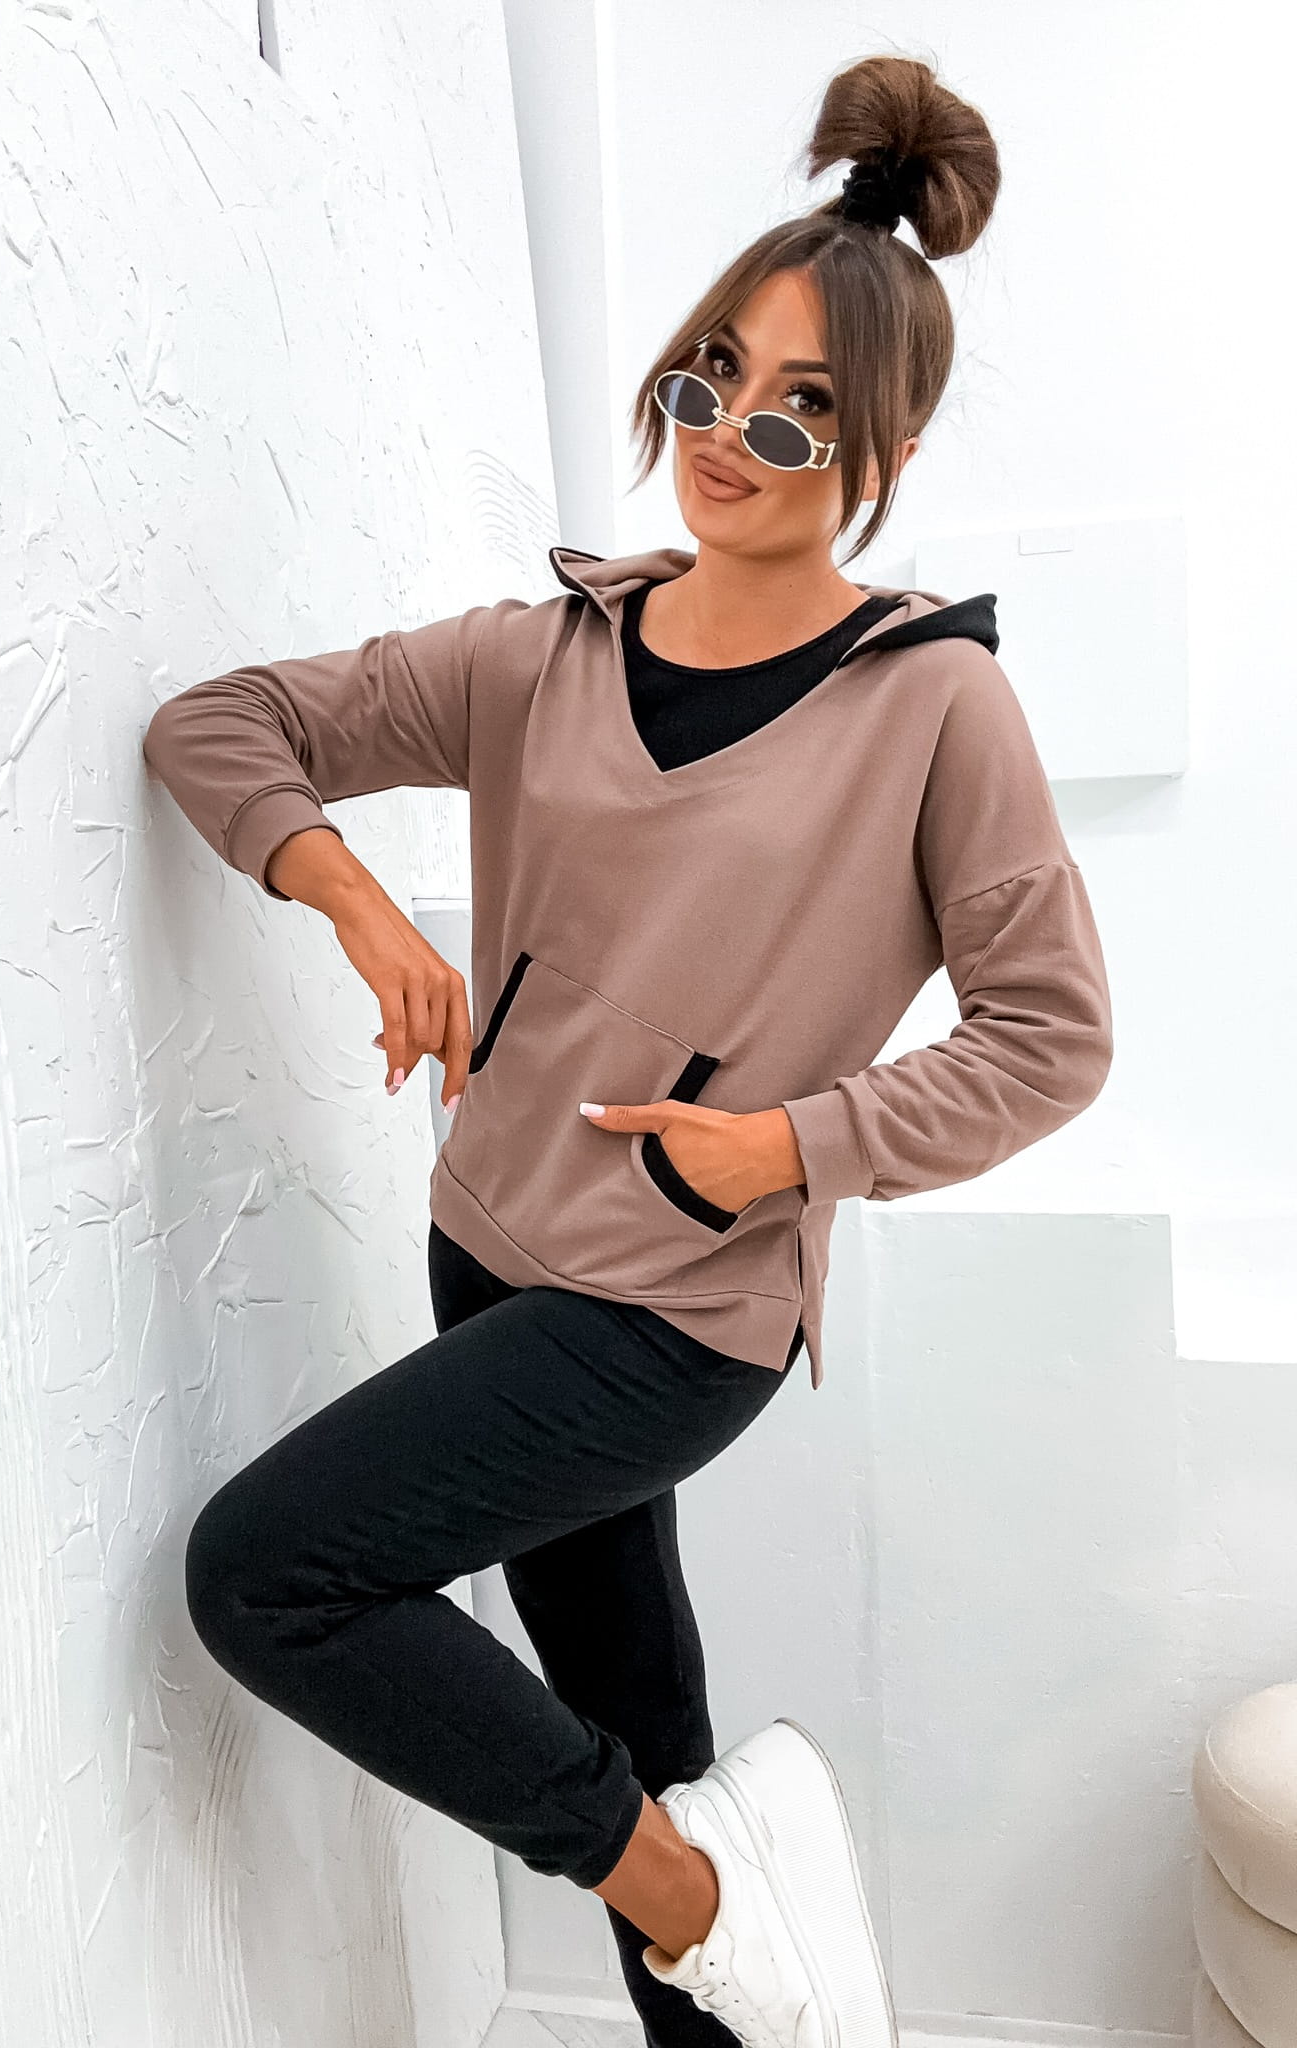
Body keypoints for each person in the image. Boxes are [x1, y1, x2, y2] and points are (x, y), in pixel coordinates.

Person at [141, 51, 1111, 2048]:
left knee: (271, 1576)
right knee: (633, 1718)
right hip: (487, 1248)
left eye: (798, 408)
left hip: (676, 1307)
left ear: (884, 446)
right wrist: (359, 902)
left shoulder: (937, 708)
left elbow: (1052, 1035)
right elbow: (219, 725)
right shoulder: (542, 653)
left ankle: (686, 1889)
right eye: (707, 378)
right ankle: (719, 1929)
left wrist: (793, 1149)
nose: (730, 436)